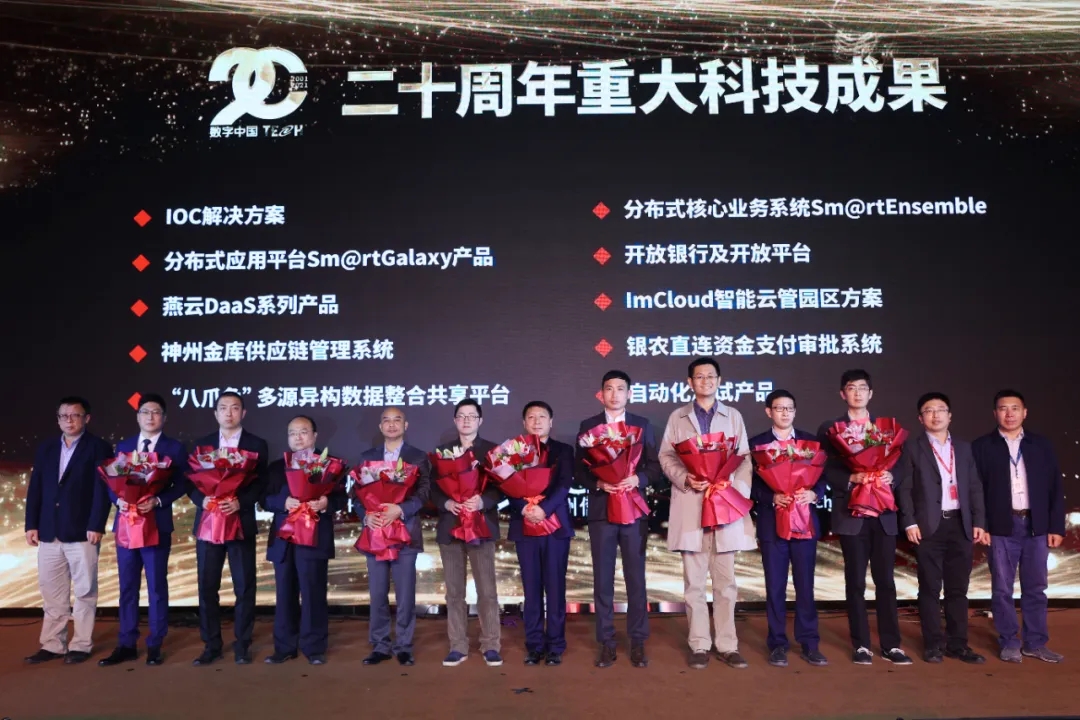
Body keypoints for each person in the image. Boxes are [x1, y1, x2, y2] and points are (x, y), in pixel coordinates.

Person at [659, 358, 755, 670]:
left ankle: (728, 645)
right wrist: (685, 478)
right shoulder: (677, 417)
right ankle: (699, 644)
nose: (706, 381)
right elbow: (666, 456)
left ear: (719, 380)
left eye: (711, 376)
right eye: (699, 377)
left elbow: (744, 458)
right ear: (690, 382)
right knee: (694, 585)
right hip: (692, 506)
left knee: (726, 584)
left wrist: (733, 490)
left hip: (723, 506)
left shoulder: (733, 416)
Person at [817, 369, 912, 665]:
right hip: (851, 514)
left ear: (871, 393)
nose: (857, 393)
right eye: (851, 388)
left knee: (886, 582)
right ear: (842, 394)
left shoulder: (886, 429)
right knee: (855, 582)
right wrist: (851, 478)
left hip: (883, 514)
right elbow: (823, 467)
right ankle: (861, 645)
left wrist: (891, 476)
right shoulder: (831, 429)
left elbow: (902, 464)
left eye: (862, 388)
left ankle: (891, 645)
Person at [576, 369, 663, 669]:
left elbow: (654, 467)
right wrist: (600, 483)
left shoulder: (642, 425)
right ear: (601, 393)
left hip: (633, 510)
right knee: (603, 579)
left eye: (620, 389)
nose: (614, 394)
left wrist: (637, 479)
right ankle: (606, 642)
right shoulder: (589, 427)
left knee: (635, 578)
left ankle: (638, 641)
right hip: (602, 511)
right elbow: (580, 470)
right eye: (609, 389)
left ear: (629, 393)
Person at [972, 389, 1065, 664]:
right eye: (1003, 408)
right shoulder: (982, 446)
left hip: (1036, 525)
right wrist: (982, 525)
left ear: (1025, 412)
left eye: (1015, 408)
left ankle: (1035, 643)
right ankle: (1009, 641)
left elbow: (1055, 488)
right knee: (1002, 589)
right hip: (1001, 526)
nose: (1009, 413)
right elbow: (976, 490)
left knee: (1036, 588)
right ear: (995, 413)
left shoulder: (1041, 445)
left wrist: (1056, 527)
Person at [98, 394, 190, 667]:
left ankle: (155, 643)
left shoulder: (175, 448)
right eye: (145, 412)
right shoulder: (124, 446)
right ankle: (126, 643)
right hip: (127, 524)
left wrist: (158, 500)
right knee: (127, 586)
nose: (150, 417)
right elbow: (111, 482)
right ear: (137, 416)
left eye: (156, 412)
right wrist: (119, 500)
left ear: (164, 417)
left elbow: (183, 484)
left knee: (156, 585)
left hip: (156, 524)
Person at [895, 392, 987, 664]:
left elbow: (975, 487)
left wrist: (979, 521)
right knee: (930, 588)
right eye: (929, 410)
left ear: (950, 415)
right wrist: (909, 521)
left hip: (960, 524)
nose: (935, 415)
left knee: (958, 589)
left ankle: (958, 644)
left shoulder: (964, 448)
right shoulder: (912, 448)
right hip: (928, 527)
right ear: (920, 418)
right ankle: (933, 644)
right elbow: (905, 488)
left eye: (940, 409)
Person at [24, 396, 112, 665]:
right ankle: (53, 644)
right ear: (58, 419)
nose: (69, 420)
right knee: (52, 592)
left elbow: (102, 490)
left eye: (75, 415)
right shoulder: (47, 447)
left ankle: (81, 645)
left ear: (87, 418)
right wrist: (31, 524)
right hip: (49, 530)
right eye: (64, 416)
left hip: (82, 531)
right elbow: (36, 486)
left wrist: (96, 524)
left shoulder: (98, 447)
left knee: (85, 590)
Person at [748, 389, 828, 667]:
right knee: (775, 586)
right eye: (779, 408)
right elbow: (749, 484)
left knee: (805, 585)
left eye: (789, 408)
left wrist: (815, 494)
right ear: (768, 411)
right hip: (772, 524)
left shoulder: (811, 442)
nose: (785, 413)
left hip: (804, 523)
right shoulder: (757, 444)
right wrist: (771, 497)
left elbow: (823, 478)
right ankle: (777, 644)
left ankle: (809, 643)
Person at [188, 391, 269, 666]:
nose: (229, 413)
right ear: (215, 413)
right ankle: (211, 644)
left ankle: (242, 644)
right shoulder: (202, 445)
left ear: (243, 413)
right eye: (223, 408)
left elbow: (261, 483)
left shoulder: (256, 444)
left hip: (239, 522)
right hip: (209, 524)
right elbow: (190, 482)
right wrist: (202, 499)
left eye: (235, 408)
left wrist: (240, 502)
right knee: (207, 586)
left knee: (244, 586)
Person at [263, 415, 346, 665]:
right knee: (284, 593)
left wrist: (326, 503)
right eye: (292, 433)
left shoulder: (330, 465)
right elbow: (264, 499)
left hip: (314, 537)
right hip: (284, 539)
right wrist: (283, 502)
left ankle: (314, 647)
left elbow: (342, 499)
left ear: (314, 435)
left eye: (303, 432)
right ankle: (284, 647)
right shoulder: (276, 467)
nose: (297, 438)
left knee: (313, 592)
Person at [356, 407, 431, 666]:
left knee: (405, 594)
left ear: (405, 425)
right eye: (386, 420)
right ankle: (380, 645)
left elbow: (424, 493)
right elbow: (356, 495)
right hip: (376, 533)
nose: (391, 424)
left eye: (397, 420)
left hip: (404, 533)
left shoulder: (418, 457)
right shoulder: (367, 458)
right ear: (380, 427)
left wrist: (401, 509)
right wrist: (365, 516)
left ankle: (404, 646)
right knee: (377, 594)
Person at [431, 399, 503, 667]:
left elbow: (502, 486)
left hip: (481, 527)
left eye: (471, 416)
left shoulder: (492, 451)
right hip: (451, 527)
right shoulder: (441, 453)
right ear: (455, 420)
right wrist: (446, 503)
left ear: (480, 421)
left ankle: (491, 644)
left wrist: (483, 501)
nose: (466, 420)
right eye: (461, 416)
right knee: (454, 592)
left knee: (487, 591)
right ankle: (458, 645)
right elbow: (432, 488)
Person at [508, 401, 574, 666]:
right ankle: (534, 645)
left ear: (551, 421)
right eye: (531, 417)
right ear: (524, 423)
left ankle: (556, 645)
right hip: (524, 526)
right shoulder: (512, 451)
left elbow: (564, 485)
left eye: (542, 416)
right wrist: (525, 507)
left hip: (555, 527)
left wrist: (543, 509)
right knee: (531, 589)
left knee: (555, 589)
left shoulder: (563, 451)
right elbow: (505, 485)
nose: (537, 421)